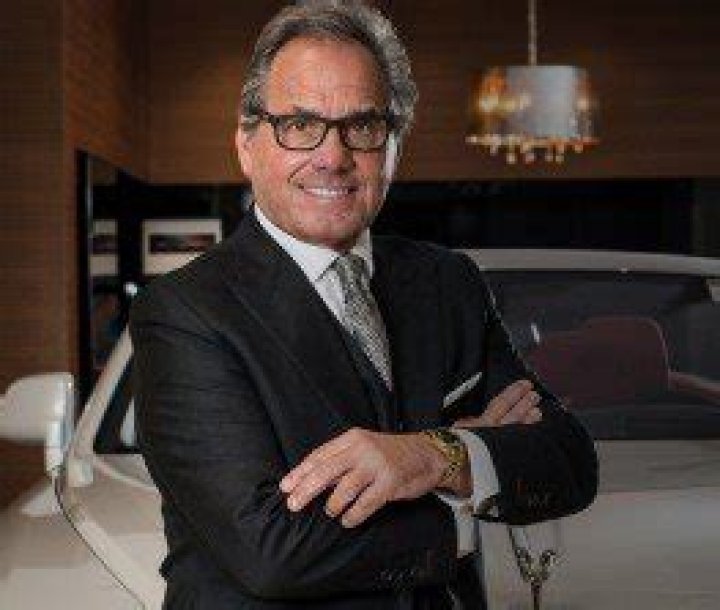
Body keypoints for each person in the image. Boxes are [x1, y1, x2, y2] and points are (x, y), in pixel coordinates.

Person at [130, 1, 598, 608]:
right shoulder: (185, 312)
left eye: (363, 125)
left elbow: (568, 462)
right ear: (247, 145)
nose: (333, 156)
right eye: (300, 124)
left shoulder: (447, 281)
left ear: (394, 145)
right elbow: (271, 551)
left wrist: (434, 453)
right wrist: (464, 498)